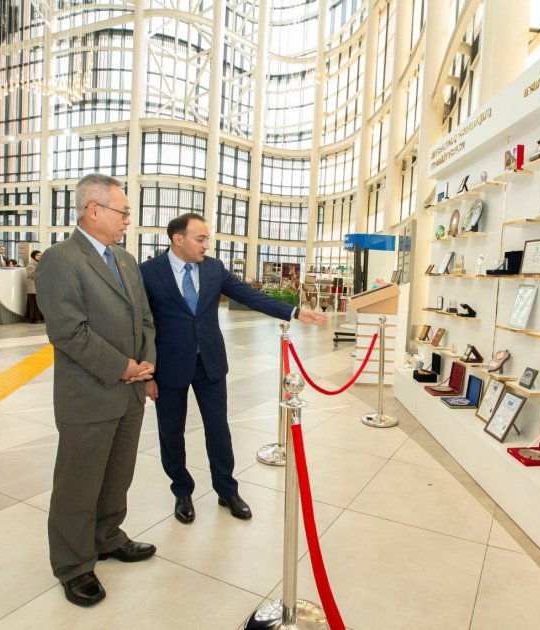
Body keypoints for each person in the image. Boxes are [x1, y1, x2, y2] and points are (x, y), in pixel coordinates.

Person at [140, 213, 327, 524]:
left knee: (219, 429)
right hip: (169, 366)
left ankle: (227, 490)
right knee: (171, 432)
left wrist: (295, 312)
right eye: (200, 239)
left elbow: (250, 296)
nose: (206, 245)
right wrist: (147, 374)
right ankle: (182, 491)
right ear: (178, 239)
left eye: (207, 239)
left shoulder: (213, 268)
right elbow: (141, 324)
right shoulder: (148, 272)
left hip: (210, 363)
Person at [35, 173, 157, 608]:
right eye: (123, 212)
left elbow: (144, 318)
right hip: (89, 393)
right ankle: (73, 564)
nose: (128, 220)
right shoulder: (60, 260)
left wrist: (146, 366)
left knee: (117, 475)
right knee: (78, 483)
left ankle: (107, 537)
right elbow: (68, 331)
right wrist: (122, 367)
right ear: (93, 210)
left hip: (130, 393)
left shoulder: (125, 260)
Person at [25, 250, 42, 322]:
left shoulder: (39, 263)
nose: (39, 256)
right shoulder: (31, 264)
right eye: (38, 255)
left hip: (38, 286)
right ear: (33, 256)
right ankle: (33, 318)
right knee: (33, 302)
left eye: (40, 255)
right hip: (33, 286)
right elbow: (31, 274)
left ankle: (38, 318)